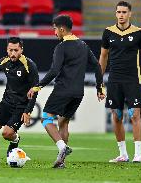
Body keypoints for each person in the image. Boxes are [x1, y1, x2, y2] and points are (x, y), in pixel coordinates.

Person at [27, 15, 105, 168]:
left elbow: (54, 70)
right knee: (63, 122)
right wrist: (99, 87)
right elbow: (97, 66)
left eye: (55, 29)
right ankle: (61, 162)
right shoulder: (83, 45)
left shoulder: (61, 47)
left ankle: (62, 147)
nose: (54, 32)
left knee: (46, 119)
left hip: (63, 89)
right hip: (78, 92)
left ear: (62, 29)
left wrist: (38, 86)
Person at [99, 1, 141, 163]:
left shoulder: (138, 33)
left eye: (124, 12)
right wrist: (99, 82)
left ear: (130, 14)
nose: (121, 15)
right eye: (118, 12)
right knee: (117, 116)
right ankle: (123, 154)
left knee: (135, 114)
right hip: (114, 79)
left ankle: (138, 154)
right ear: (116, 14)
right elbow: (103, 57)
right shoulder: (108, 32)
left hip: (132, 80)